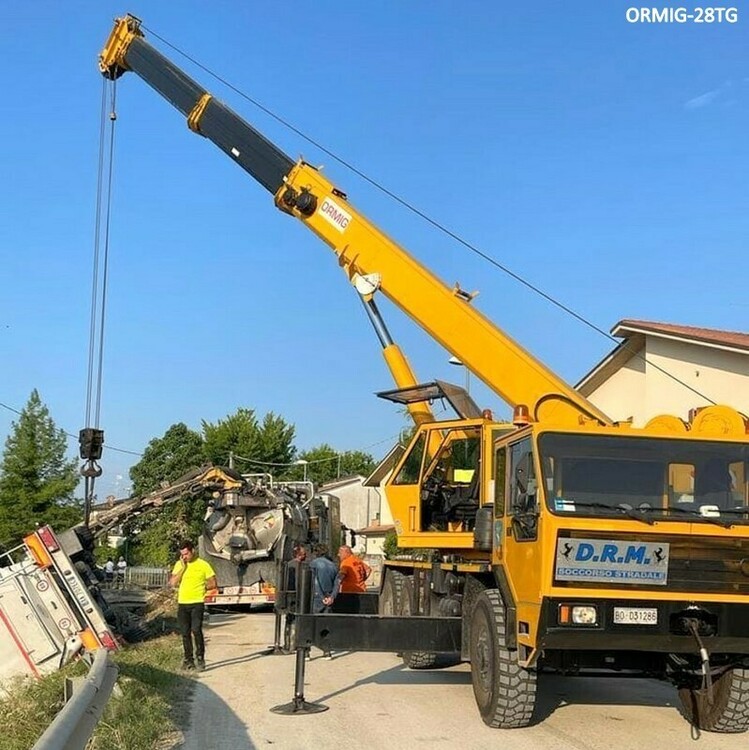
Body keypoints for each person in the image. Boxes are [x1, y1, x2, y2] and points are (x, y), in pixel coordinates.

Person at [170, 540, 216, 671]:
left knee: (196, 630)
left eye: (186, 554)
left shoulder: (203, 565)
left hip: (197, 603)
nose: (184, 557)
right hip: (183, 603)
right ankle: (188, 660)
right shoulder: (179, 565)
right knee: (185, 633)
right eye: (182, 554)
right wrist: (183, 568)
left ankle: (200, 658)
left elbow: (213, 583)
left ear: (192, 551)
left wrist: (203, 587)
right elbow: (172, 583)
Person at [308, 543, 338, 659]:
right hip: (329, 596)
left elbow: (315, 581)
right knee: (326, 625)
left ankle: (307, 651)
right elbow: (337, 583)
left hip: (316, 597)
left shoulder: (313, 564)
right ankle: (327, 651)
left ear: (316, 552)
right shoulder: (333, 565)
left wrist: (321, 597)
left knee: (311, 624)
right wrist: (332, 597)